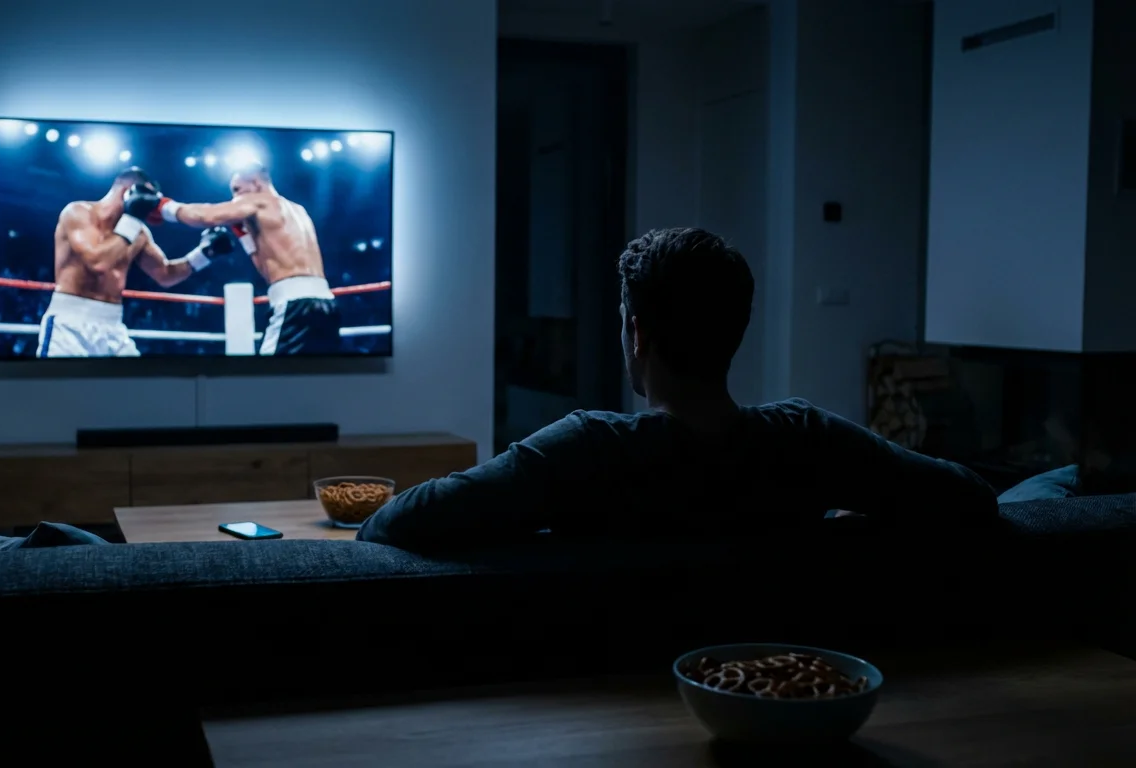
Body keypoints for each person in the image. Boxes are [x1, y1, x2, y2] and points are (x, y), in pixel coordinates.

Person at [357, 227, 1000, 553]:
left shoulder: (587, 449)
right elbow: (970, 498)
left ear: (637, 334)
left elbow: (393, 525)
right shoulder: (808, 440)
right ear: (737, 328)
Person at [142, 164, 342, 355]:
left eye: (237, 189)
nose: (234, 197)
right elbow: (267, 269)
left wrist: (162, 206)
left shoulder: (258, 200)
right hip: (326, 303)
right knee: (319, 378)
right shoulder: (298, 210)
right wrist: (245, 237)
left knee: (267, 381)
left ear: (256, 183)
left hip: (295, 305)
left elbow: (206, 216)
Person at [38, 167, 215, 357]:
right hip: (69, 324)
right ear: (127, 192)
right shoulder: (78, 213)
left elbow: (165, 275)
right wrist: (132, 218)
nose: (148, 208)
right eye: (145, 197)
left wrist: (204, 254)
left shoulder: (138, 232)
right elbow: (98, 263)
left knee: (139, 385)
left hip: (113, 325)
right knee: (61, 386)